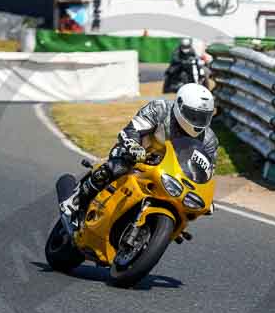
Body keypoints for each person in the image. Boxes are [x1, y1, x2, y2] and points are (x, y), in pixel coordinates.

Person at [61, 83, 217, 219]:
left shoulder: (209, 139)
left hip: (169, 173)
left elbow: (207, 172)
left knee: (187, 209)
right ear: (180, 105)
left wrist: (208, 197)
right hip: (137, 155)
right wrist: (134, 146)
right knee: (117, 167)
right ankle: (76, 200)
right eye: (193, 115)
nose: (197, 122)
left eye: (203, 117)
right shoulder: (160, 109)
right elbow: (132, 129)